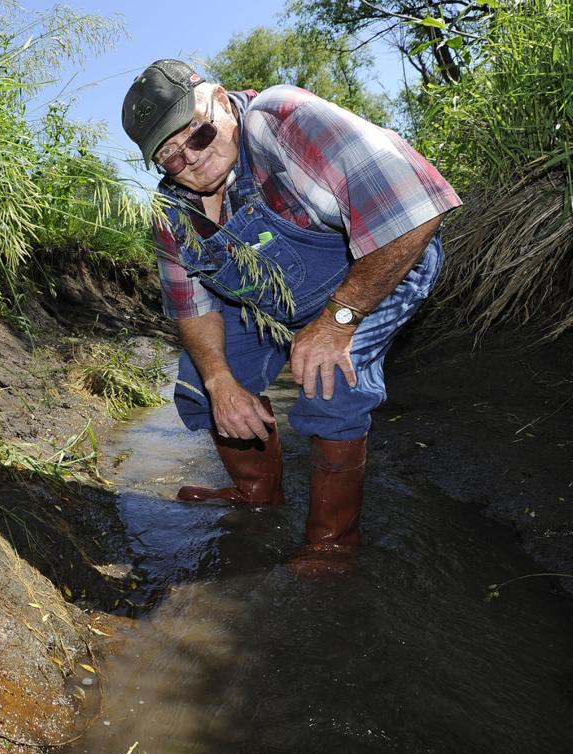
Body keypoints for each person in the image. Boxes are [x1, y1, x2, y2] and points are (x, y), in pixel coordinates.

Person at [120, 59, 461, 576]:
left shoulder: (284, 119)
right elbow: (192, 306)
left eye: (198, 135)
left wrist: (337, 321)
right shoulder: (171, 212)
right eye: (169, 156)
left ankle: (332, 544)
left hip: (380, 263)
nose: (190, 159)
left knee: (330, 382)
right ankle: (256, 496)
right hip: (276, 301)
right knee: (200, 383)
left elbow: (417, 207)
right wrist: (220, 383)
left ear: (219, 100)